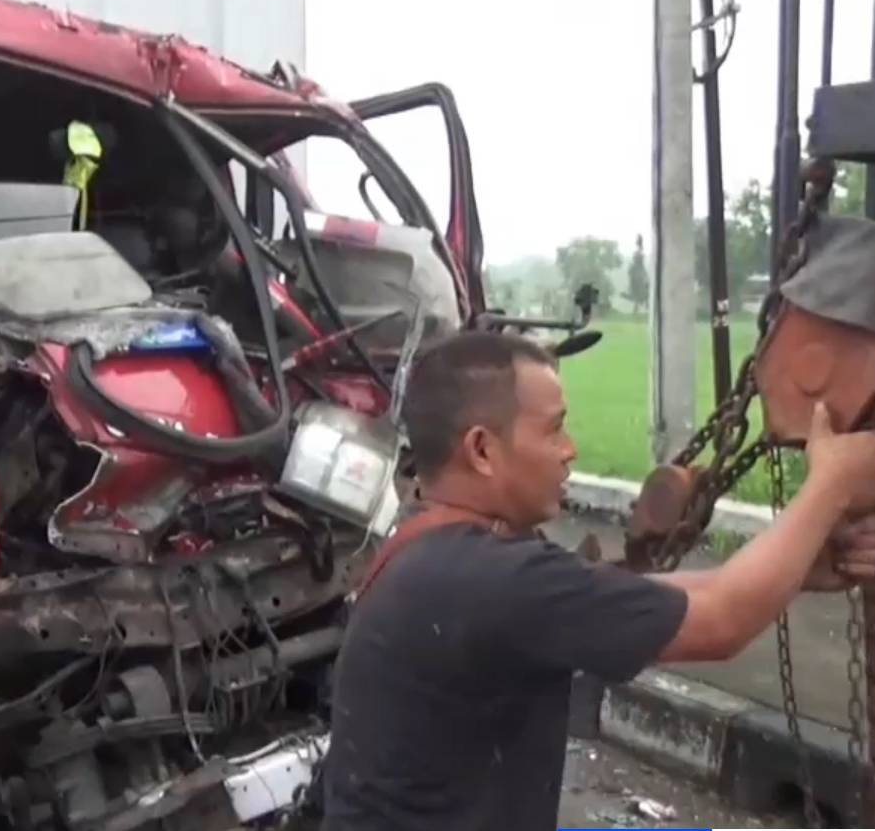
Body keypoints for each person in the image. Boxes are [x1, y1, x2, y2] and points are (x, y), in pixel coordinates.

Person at [322, 330, 875, 831]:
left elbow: (652, 599)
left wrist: (797, 568)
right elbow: (720, 621)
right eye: (555, 428)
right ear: (483, 450)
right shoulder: (491, 580)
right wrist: (835, 483)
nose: (571, 450)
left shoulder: (443, 547)